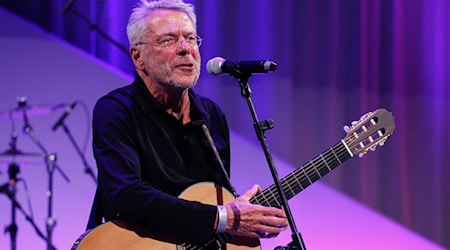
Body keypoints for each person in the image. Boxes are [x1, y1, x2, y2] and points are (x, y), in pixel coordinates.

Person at [86, 0, 288, 247]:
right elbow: (126, 196)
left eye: (191, 39)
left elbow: (212, 202)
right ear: (137, 56)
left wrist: (248, 218)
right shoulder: (116, 110)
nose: (185, 49)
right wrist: (224, 217)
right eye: (168, 40)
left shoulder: (211, 115)